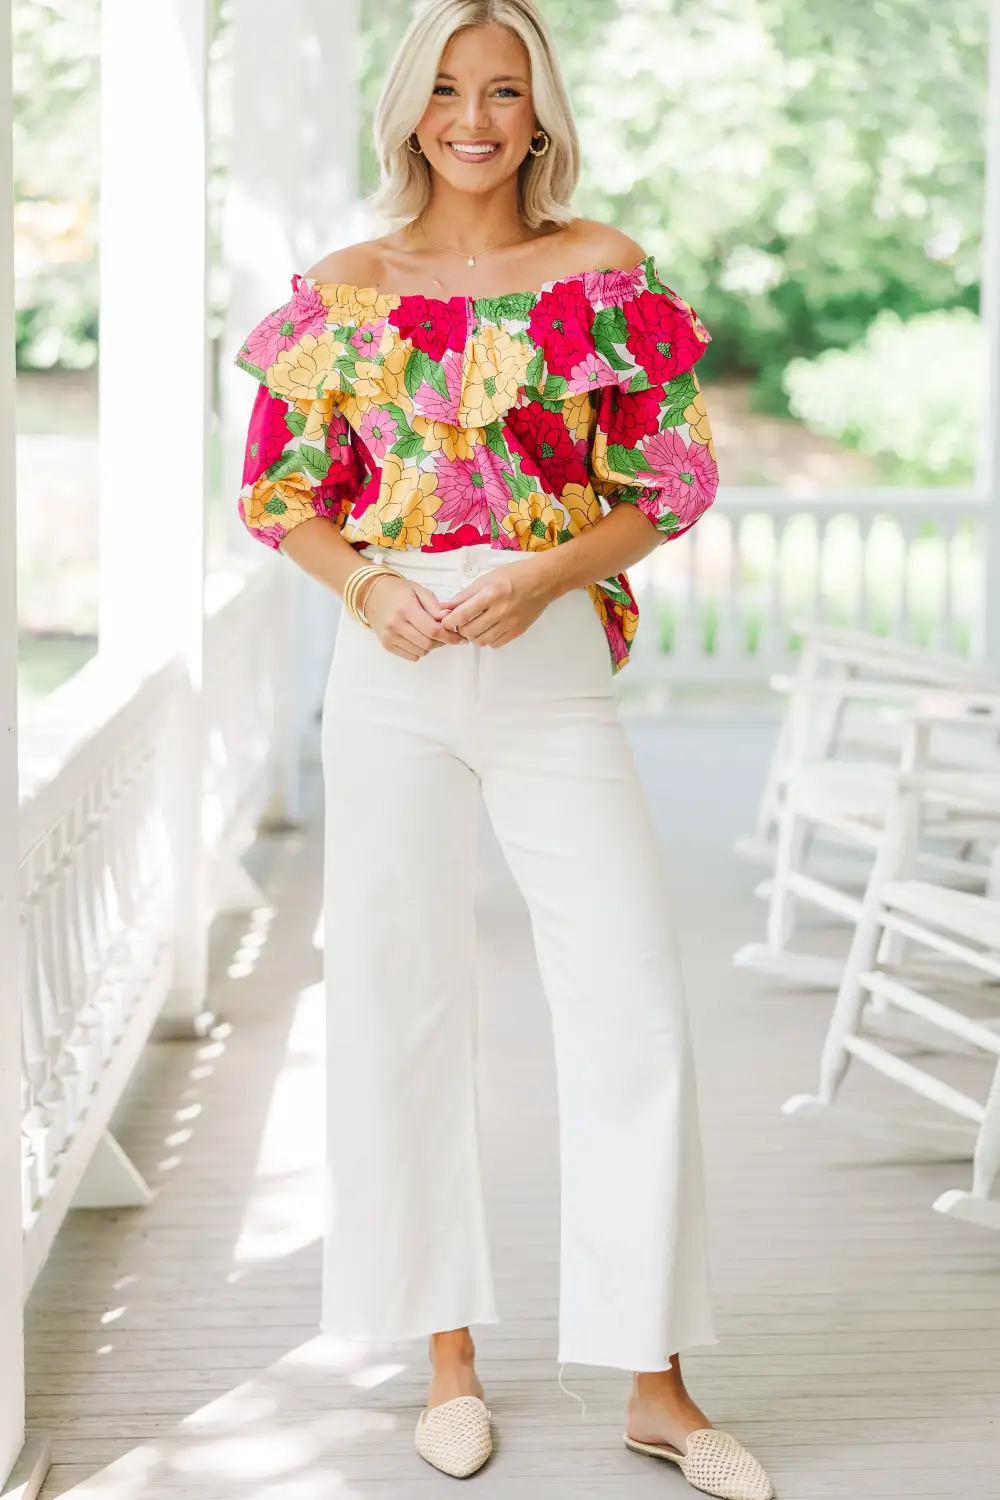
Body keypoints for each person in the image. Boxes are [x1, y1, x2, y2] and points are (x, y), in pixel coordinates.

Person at [234, 2, 771, 1495]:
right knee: (403, 1001)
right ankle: (447, 1360)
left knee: (631, 1003)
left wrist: (539, 575)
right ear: (411, 107)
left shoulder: (599, 271)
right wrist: (372, 586)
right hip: (392, 655)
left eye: (505, 89)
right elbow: (281, 490)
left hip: (542, 651)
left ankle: (654, 1383)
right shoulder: (345, 290)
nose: (475, 115)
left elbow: (671, 479)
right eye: (450, 88)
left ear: (540, 113)